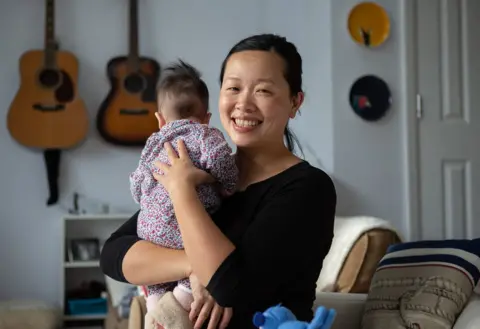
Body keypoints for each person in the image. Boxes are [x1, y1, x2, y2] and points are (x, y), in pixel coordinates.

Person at [100, 33, 336, 329]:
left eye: (263, 91)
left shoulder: (308, 188)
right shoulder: (197, 169)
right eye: (233, 88)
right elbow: (114, 254)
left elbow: (234, 288)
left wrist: (182, 190)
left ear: (294, 102)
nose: (243, 104)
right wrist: (193, 267)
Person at [129, 60, 238, 328]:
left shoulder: (154, 142)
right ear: (207, 117)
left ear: (160, 119)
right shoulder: (205, 134)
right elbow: (222, 161)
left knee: (156, 280)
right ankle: (173, 313)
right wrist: (224, 183)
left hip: (149, 228)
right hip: (183, 227)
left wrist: (148, 203)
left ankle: (154, 310)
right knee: (190, 270)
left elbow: (138, 181)